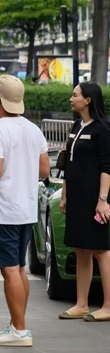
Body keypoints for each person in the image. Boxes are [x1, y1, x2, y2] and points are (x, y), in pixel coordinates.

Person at [0, 76, 49, 346]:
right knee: (19, 269)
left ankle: (20, 330)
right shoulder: (33, 129)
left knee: (10, 270)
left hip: (2, 209)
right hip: (25, 208)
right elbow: (44, 170)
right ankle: (18, 324)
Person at [57, 82, 110, 322]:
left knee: (101, 250)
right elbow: (69, 164)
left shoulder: (103, 129)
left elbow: (107, 168)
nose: (71, 98)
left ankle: (108, 306)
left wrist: (103, 200)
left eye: (75, 95)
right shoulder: (77, 126)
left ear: (88, 100)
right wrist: (65, 195)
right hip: (77, 197)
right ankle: (81, 304)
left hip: (95, 198)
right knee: (81, 250)